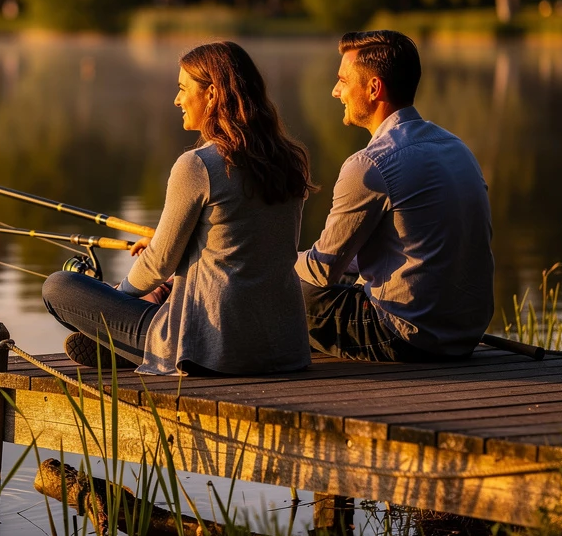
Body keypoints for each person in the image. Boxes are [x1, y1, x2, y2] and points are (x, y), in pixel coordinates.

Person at [42, 41, 314, 376]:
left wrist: (120, 296)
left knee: (59, 285)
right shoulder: (291, 160)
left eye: (184, 88)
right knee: (167, 290)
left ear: (212, 94)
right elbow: (257, 247)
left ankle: (128, 347)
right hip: (285, 348)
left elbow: (158, 264)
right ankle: (127, 344)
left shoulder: (199, 166)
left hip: (214, 349)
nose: (177, 99)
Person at [296, 30, 494, 362]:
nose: (336, 91)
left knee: (293, 292)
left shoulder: (368, 166)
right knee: (340, 271)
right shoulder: (456, 147)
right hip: (465, 333)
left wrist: (275, 262)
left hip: (405, 337)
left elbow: (320, 272)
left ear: (374, 88)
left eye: (343, 80)